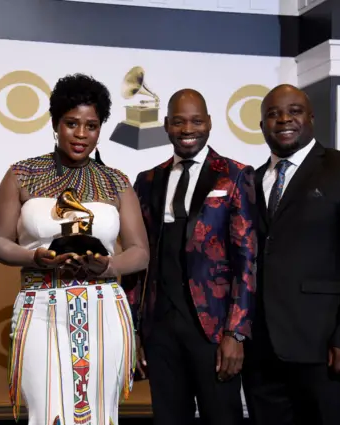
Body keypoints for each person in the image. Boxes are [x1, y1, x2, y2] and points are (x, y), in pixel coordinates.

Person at [0, 73, 149, 425]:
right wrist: (35, 257)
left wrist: (106, 266)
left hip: (105, 307)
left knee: (102, 415)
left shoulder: (116, 181)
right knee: (47, 413)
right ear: (55, 123)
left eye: (91, 126)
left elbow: (139, 251)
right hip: (41, 305)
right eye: (71, 123)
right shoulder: (23, 174)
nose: (80, 134)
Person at [241, 84, 340, 425]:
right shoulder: (249, 180)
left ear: (311, 118)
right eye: (273, 114)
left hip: (324, 348)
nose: (283, 119)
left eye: (294, 111)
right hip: (261, 350)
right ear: (262, 126)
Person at [122, 89, 257, 425]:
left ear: (209, 123)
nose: (187, 129)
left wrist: (235, 333)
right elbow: (139, 261)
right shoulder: (147, 180)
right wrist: (136, 331)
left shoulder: (235, 175)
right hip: (160, 329)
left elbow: (247, 260)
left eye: (196, 120)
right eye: (179, 121)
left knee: (222, 417)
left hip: (213, 330)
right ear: (166, 125)